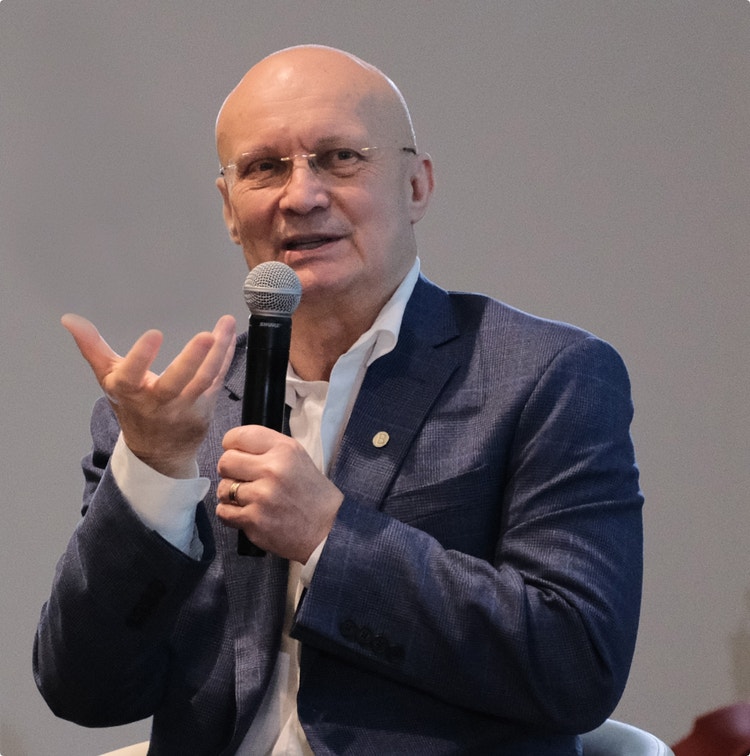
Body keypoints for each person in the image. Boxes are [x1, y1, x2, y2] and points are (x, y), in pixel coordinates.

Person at [34, 45, 643, 755]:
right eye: (264, 168)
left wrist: (330, 535)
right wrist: (154, 478)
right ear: (229, 209)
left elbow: (576, 664)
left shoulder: (544, 376)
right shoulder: (170, 417)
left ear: (416, 186)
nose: (300, 196)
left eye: (339, 158)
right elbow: (84, 691)